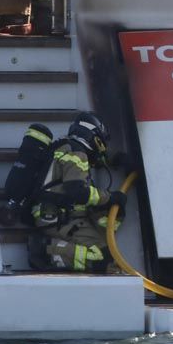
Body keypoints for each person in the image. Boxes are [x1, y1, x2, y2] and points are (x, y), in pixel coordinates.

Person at [29, 111, 126, 273]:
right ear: (95, 137)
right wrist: (109, 198)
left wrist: (117, 160)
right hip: (57, 218)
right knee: (101, 257)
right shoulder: (77, 153)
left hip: (54, 215)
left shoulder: (65, 147)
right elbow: (76, 192)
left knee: (104, 235)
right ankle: (45, 251)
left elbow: (91, 163)